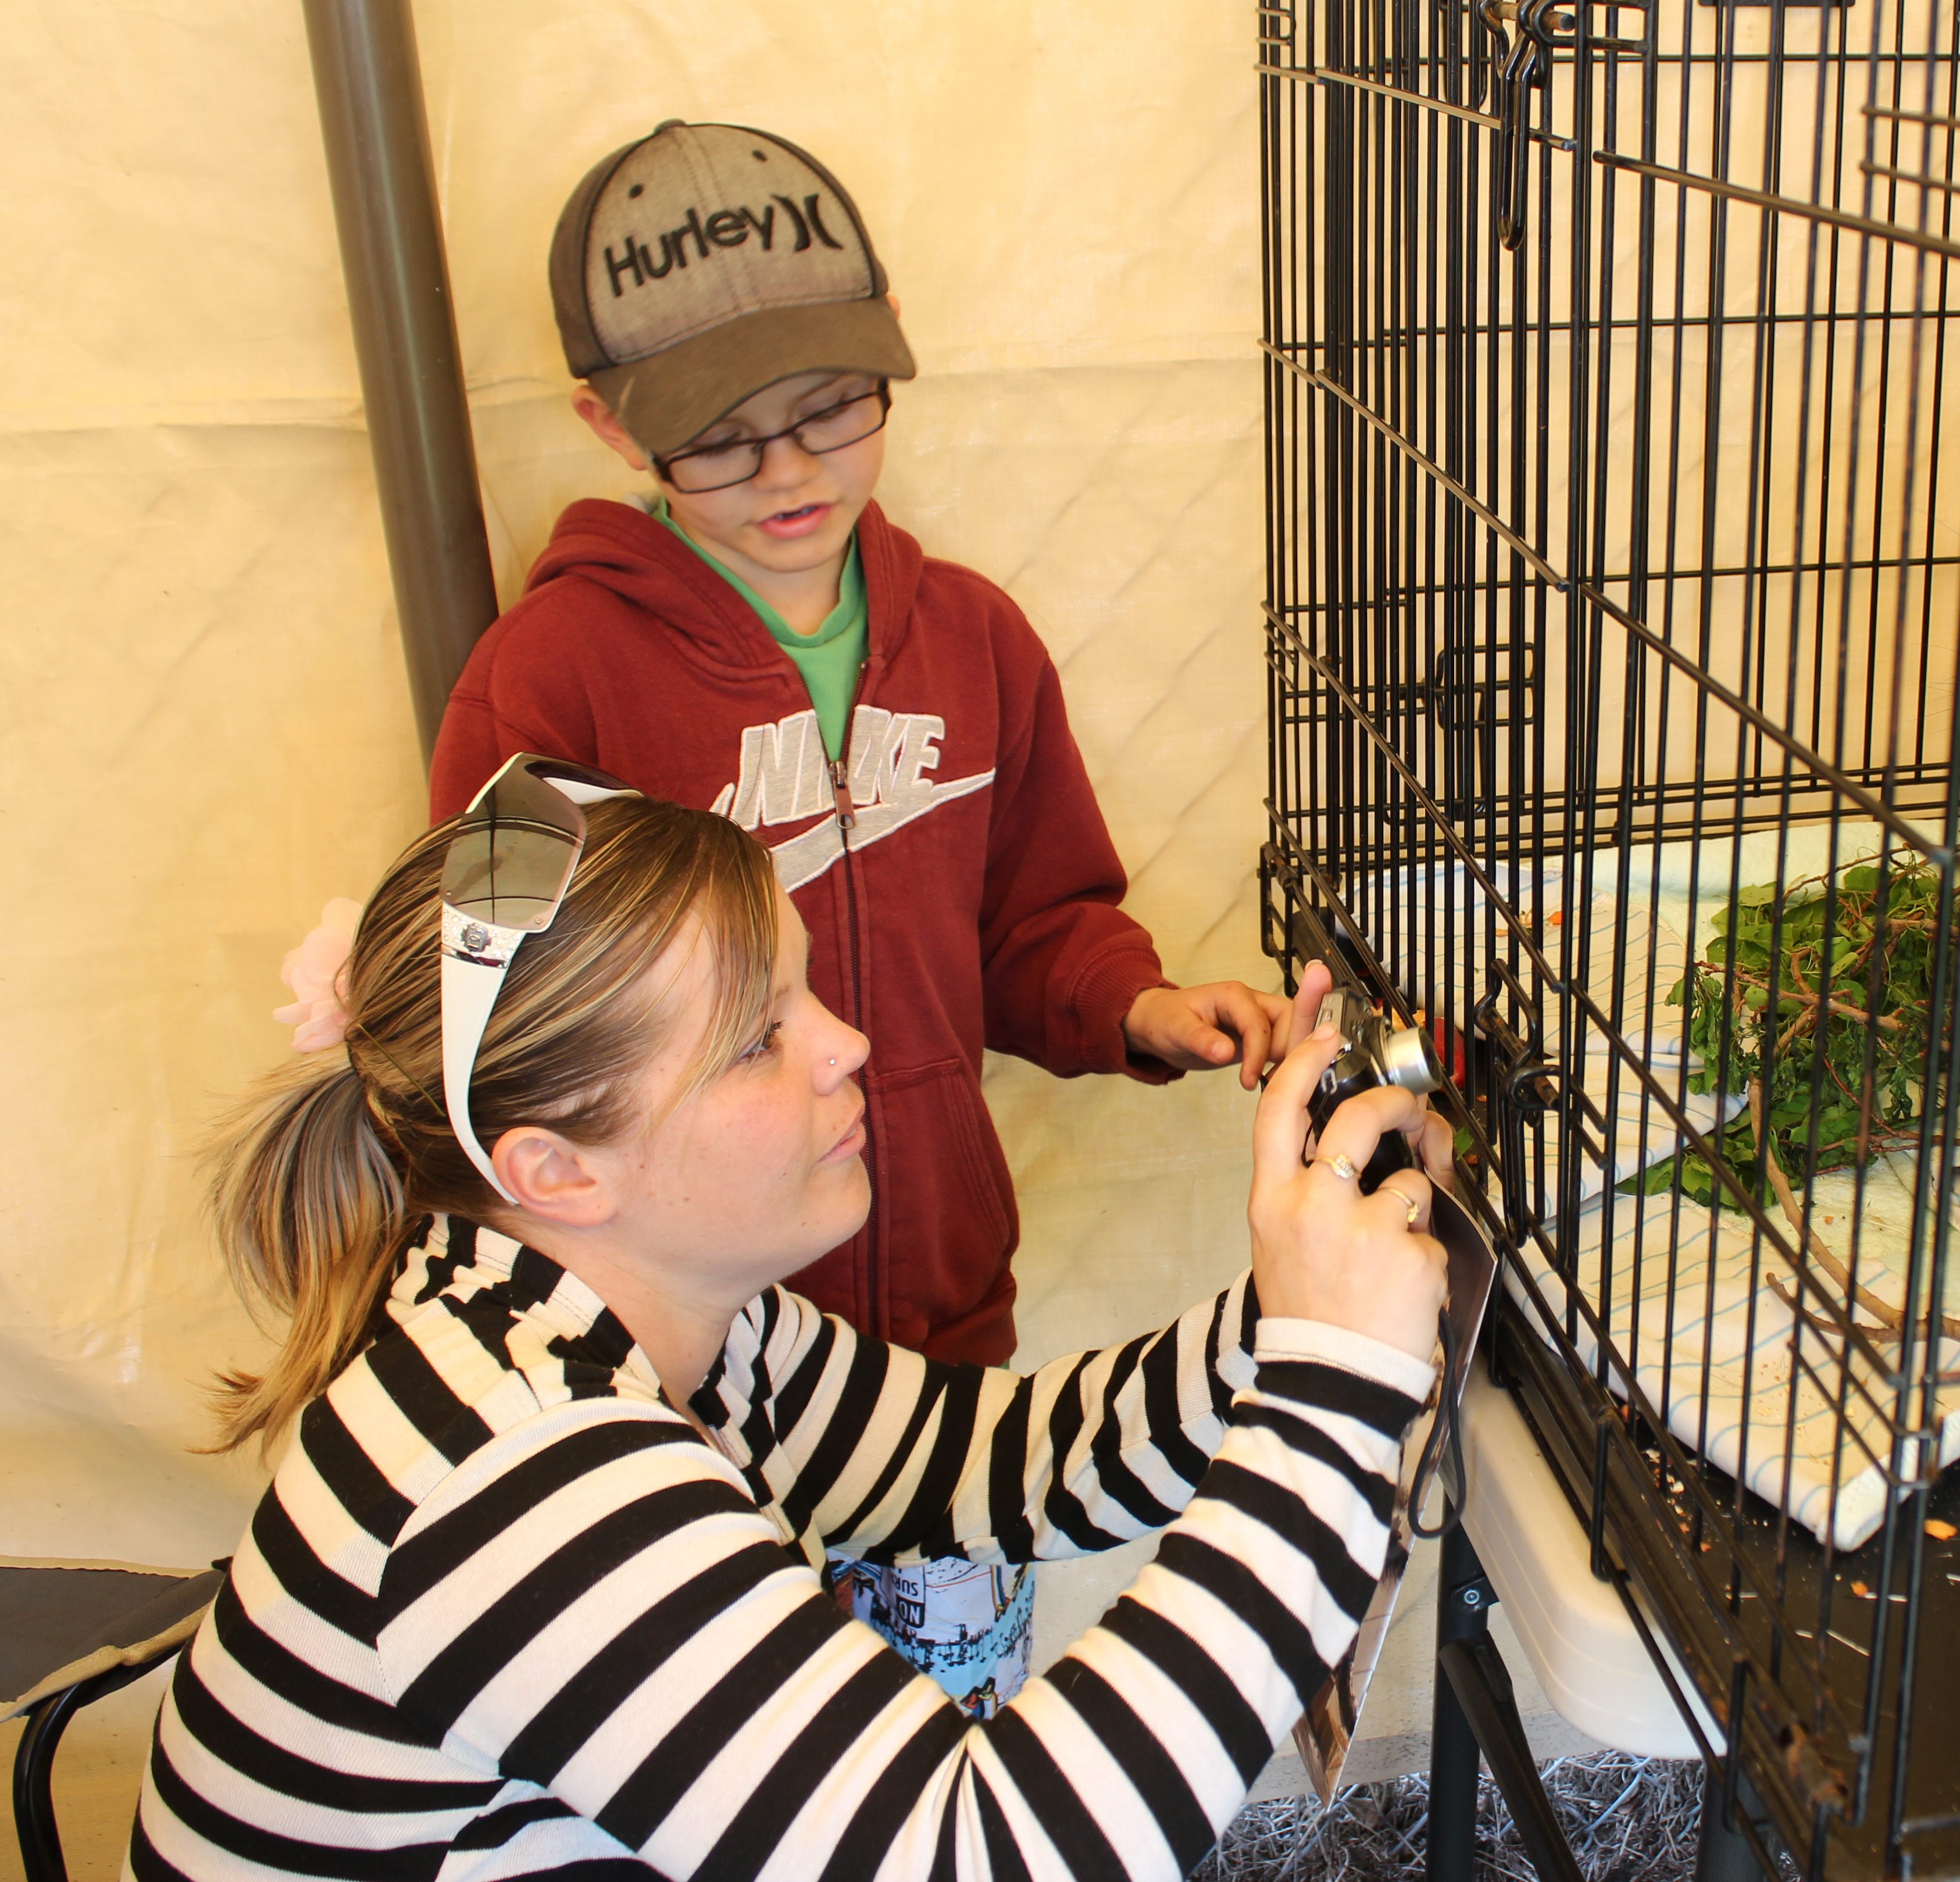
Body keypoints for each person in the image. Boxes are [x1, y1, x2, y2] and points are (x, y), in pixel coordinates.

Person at [136, 760, 1446, 1880]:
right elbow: (979, 1858)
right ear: (554, 1171)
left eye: (806, 988)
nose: (850, 1045)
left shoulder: (655, 1320)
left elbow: (986, 1468)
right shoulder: (513, 1471)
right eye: (762, 1038)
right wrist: (1334, 1387)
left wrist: (1295, 1309)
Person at [427, 119, 1293, 1701]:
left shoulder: (973, 641)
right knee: (733, 1782)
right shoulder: (543, 682)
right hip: (688, 1385)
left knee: (948, 1747)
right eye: (718, 433)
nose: (788, 472)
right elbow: (487, 1028)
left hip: (944, 1344)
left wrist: (1140, 1007)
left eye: (832, 409)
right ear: (609, 427)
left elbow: (1036, 922)